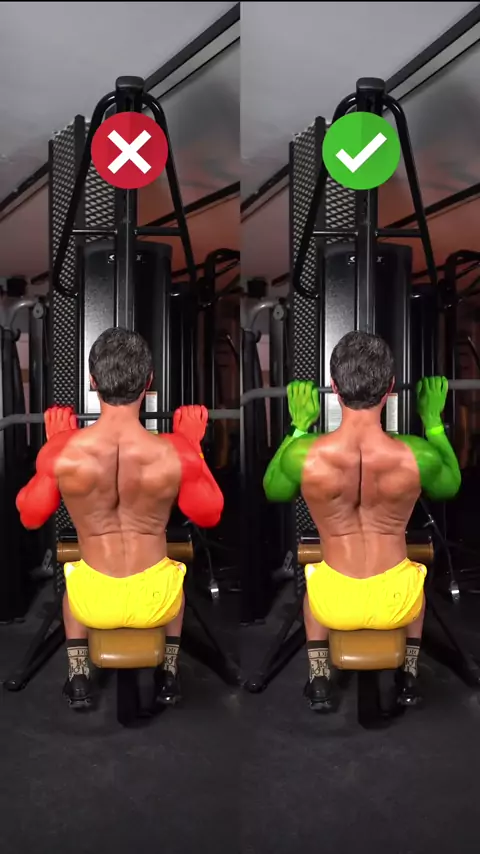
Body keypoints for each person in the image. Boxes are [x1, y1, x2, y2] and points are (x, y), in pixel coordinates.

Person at [16, 327, 224, 711]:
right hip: (156, 603)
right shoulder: (175, 451)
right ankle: (169, 671)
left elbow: (30, 517)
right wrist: (193, 446)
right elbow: (209, 515)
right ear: (149, 381)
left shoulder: (63, 450)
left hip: (92, 603)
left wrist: (54, 445)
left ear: (93, 382)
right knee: (175, 573)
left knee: (74, 574)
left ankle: (78, 675)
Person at [263, 331, 461, 712]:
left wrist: (298, 426)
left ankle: (318, 679)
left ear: (335, 388)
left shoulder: (304, 454)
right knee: (415, 578)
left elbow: (273, 490)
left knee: (315, 580)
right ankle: (409, 675)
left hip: (333, 605)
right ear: (390, 389)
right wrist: (433, 422)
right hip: (398, 604)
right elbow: (451, 485)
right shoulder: (417, 454)